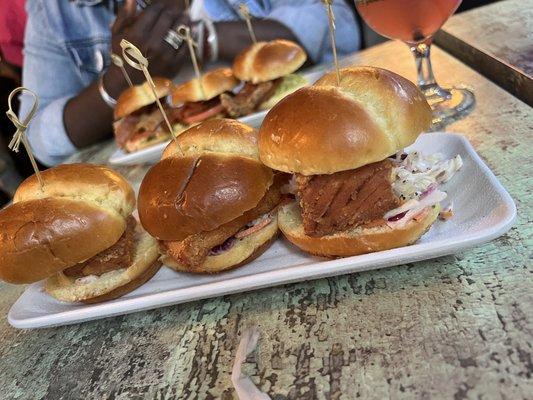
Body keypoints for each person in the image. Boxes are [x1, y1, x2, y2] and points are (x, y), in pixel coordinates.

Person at [19, 0, 360, 166]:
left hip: (306, 134)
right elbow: (37, 138)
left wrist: (200, 39)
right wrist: (122, 79)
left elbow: (337, 24)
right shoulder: (55, 11)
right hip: (161, 171)